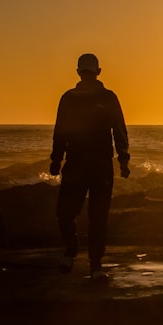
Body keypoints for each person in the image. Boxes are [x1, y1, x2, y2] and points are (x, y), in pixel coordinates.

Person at [49, 53, 130, 282]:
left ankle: (80, 256)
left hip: (82, 164)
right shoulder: (92, 98)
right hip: (95, 165)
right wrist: (123, 159)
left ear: (79, 71)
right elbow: (120, 131)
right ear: (98, 71)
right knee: (95, 216)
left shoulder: (76, 98)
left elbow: (60, 132)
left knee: (67, 213)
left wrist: (56, 159)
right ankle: (89, 262)